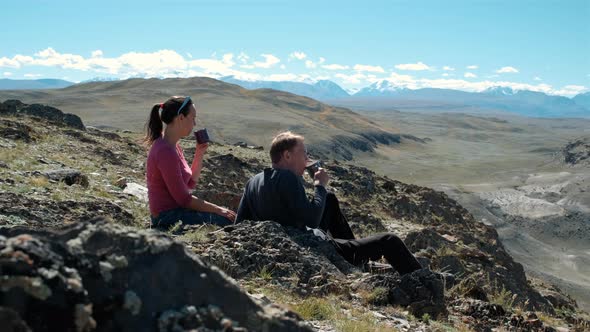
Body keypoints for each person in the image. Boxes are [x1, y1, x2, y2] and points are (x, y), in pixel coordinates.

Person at [236, 131, 422, 275]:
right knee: (390, 240)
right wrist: (319, 186)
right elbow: (312, 220)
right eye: (304, 154)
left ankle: (356, 257)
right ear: (287, 155)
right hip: (309, 244)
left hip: (287, 237)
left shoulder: (253, 181)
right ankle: (425, 283)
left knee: (330, 199)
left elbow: (239, 223)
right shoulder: (287, 178)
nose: (307, 160)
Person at [144, 96, 236, 228]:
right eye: (193, 118)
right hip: (167, 217)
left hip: (176, 212)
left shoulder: (173, 145)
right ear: (181, 117)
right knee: (227, 220)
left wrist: (199, 153)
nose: (194, 124)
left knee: (226, 215)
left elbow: (190, 183)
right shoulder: (165, 151)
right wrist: (219, 210)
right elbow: (184, 199)